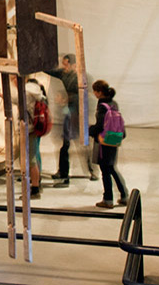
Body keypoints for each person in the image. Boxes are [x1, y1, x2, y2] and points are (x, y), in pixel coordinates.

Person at [46, 54, 97, 185]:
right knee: (66, 144)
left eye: (66, 64)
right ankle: (63, 171)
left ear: (74, 65)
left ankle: (93, 170)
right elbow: (51, 71)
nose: (64, 67)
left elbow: (89, 96)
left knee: (85, 144)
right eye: (63, 64)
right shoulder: (65, 74)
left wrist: (69, 99)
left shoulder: (83, 77)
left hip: (80, 114)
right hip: (70, 113)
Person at [89, 79, 128, 208]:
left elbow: (100, 126)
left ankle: (108, 199)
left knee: (105, 170)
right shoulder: (113, 103)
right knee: (111, 168)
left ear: (99, 92)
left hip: (104, 142)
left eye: (95, 91)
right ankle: (124, 195)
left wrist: (89, 130)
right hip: (114, 138)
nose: (94, 93)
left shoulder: (102, 106)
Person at [25, 77, 46, 198]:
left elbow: (15, 99)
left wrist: (1, 94)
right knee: (36, 155)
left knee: (32, 160)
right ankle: (37, 182)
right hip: (37, 129)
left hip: (31, 130)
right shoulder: (40, 96)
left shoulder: (29, 96)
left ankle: (35, 188)